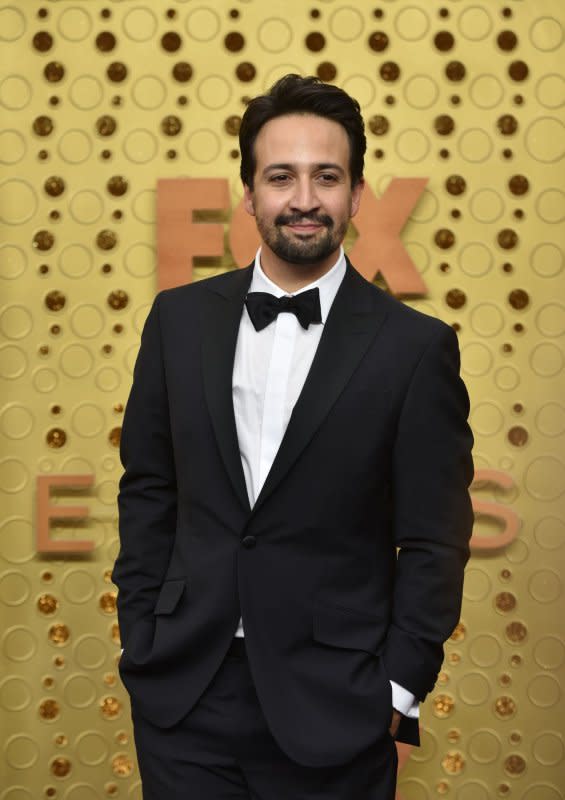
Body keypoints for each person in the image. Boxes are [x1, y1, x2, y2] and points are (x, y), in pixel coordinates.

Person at [113, 74, 474, 799]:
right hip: (185, 693)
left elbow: (434, 538)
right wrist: (142, 638)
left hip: (337, 702)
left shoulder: (413, 347)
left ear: (356, 195)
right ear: (248, 192)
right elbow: (149, 489)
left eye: (326, 177)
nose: (303, 199)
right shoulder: (176, 322)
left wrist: (397, 689)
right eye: (280, 176)